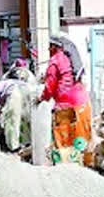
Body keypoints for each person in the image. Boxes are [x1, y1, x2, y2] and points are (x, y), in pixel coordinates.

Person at [37, 35, 93, 166]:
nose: (48, 50)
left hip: (65, 108)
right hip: (83, 104)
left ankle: (66, 176)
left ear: (54, 47)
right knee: (81, 142)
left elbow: (50, 87)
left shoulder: (55, 60)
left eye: (49, 47)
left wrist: (41, 98)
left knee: (64, 146)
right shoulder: (72, 59)